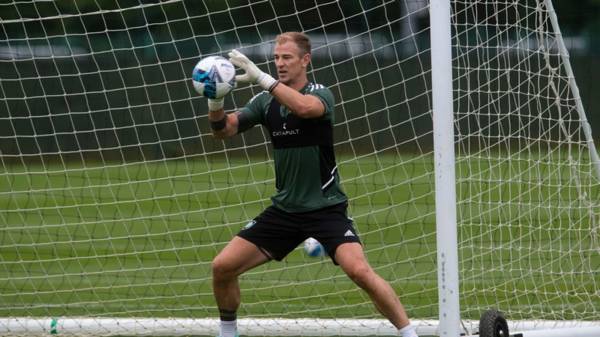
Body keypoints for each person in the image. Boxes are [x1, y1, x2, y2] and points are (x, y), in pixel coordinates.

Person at [208, 32, 418, 337]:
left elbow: (305, 109)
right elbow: (223, 131)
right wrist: (215, 98)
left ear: (305, 60)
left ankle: (408, 334)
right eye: (277, 58)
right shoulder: (264, 101)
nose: (280, 63)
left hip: (326, 208)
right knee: (222, 267)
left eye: (287, 58)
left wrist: (264, 79)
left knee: (359, 271)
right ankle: (228, 333)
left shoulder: (320, 93)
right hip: (285, 211)